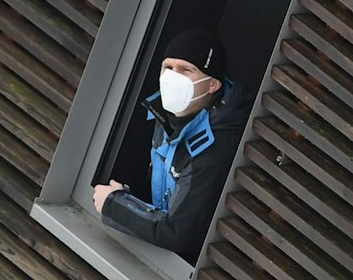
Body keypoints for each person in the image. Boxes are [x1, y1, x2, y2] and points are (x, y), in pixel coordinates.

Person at [93, 28, 249, 260]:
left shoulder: (217, 143)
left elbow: (179, 232)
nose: (173, 77)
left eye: (187, 70)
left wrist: (114, 204)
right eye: (168, 67)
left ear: (212, 85)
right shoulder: (166, 115)